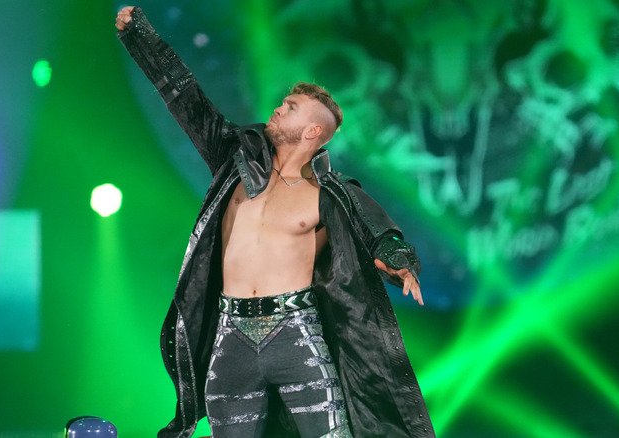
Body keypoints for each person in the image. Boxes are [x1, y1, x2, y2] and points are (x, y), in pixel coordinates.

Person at [116, 6, 435, 438]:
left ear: (312, 133)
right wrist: (142, 38)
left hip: (296, 335)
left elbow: (375, 228)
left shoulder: (328, 194)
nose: (278, 109)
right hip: (231, 340)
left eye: (291, 106)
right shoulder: (234, 162)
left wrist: (397, 258)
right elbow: (187, 100)